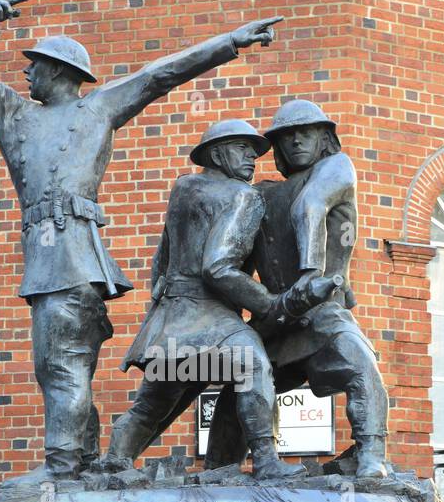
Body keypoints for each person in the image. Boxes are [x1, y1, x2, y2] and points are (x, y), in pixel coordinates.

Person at [0, 0, 282, 480]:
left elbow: (161, 74)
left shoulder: (97, 110)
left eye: (34, 65)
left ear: (59, 72)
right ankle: (84, 464)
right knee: (62, 370)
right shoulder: (12, 114)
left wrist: (229, 42)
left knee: (63, 368)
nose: (26, 74)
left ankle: (63, 469)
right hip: (53, 262)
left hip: (69, 261)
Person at [105, 119, 337, 479]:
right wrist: (272, 304)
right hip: (211, 315)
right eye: (241, 149)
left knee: (158, 398)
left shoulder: (183, 188)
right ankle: (266, 460)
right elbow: (219, 267)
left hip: (171, 319)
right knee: (254, 365)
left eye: (256, 151)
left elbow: (162, 260)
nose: (252, 158)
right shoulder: (242, 196)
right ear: (216, 153)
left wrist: (159, 306)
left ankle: (113, 462)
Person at [205, 99, 389, 478]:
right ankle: (222, 469)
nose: (296, 141)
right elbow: (233, 262)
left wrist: (310, 274)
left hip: (322, 308)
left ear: (325, 138)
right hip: (278, 314)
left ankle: (372, 455)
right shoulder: (261, 195)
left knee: (359, 364)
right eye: (286, 137)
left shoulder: (336, 168)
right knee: (239, 389)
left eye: (306, 132)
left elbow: (311, 205)